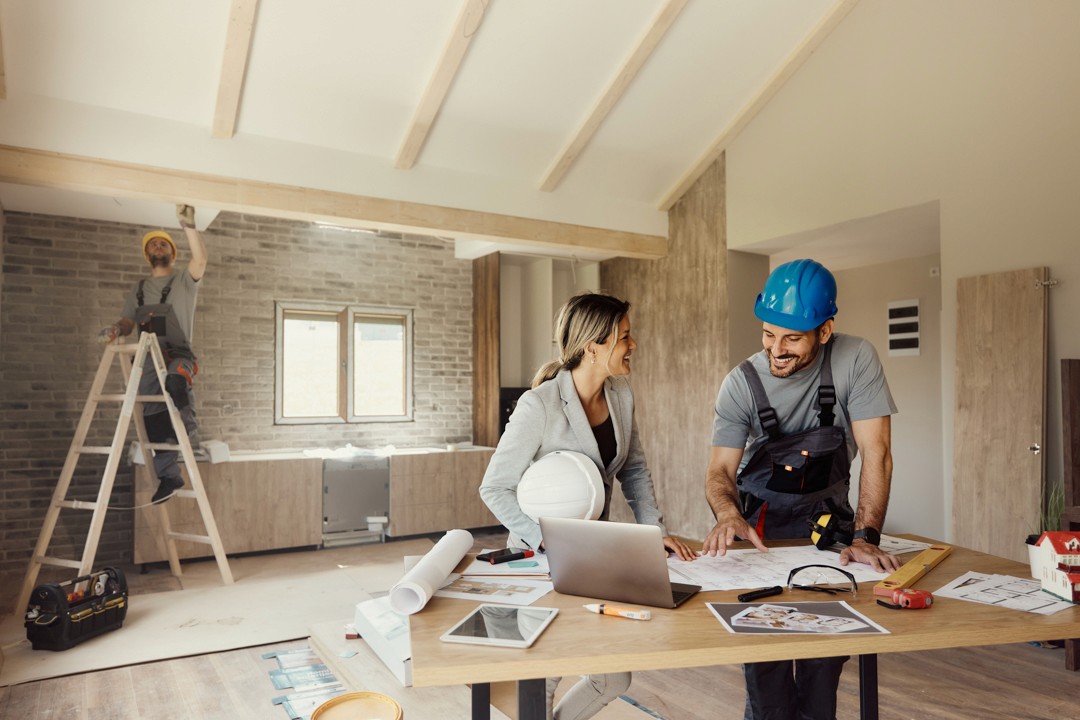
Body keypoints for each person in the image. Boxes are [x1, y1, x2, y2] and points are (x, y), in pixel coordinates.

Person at [702, 258, 902, 720]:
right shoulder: (741, 384)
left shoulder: (856, 360)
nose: (777, 349)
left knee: (821, 667)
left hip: (830, 532)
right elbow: (719, 471)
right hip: (760, 536)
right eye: (769, 334)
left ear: (825, 331)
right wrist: (727, 515)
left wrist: (866, 538)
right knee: (766, 679)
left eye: (792, 339)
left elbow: (878, 454)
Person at [480, 291, 694, 720]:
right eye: (625, 337)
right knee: (543, 673)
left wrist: (655, 531)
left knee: (613, 678)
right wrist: (549, 543)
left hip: (595, 555)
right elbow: (494, 487)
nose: (634, 345)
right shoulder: (537, 405)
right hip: (541, 559)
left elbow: (632, 468)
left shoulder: (622, 394)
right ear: (594, 346)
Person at [99, 204, 207, 504]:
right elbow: (127, 321)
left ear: (172, 253)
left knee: (175, 383)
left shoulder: (185, 282)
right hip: (147, 358)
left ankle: (189, 434)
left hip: (178, 354)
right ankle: (169, 476)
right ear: (148, 254)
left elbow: (201, 259)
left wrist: (189, 227)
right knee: (151, 416)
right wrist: (115, 331)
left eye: (163, 243)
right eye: (152, 245)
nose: (158, 246)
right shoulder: (138, 289)